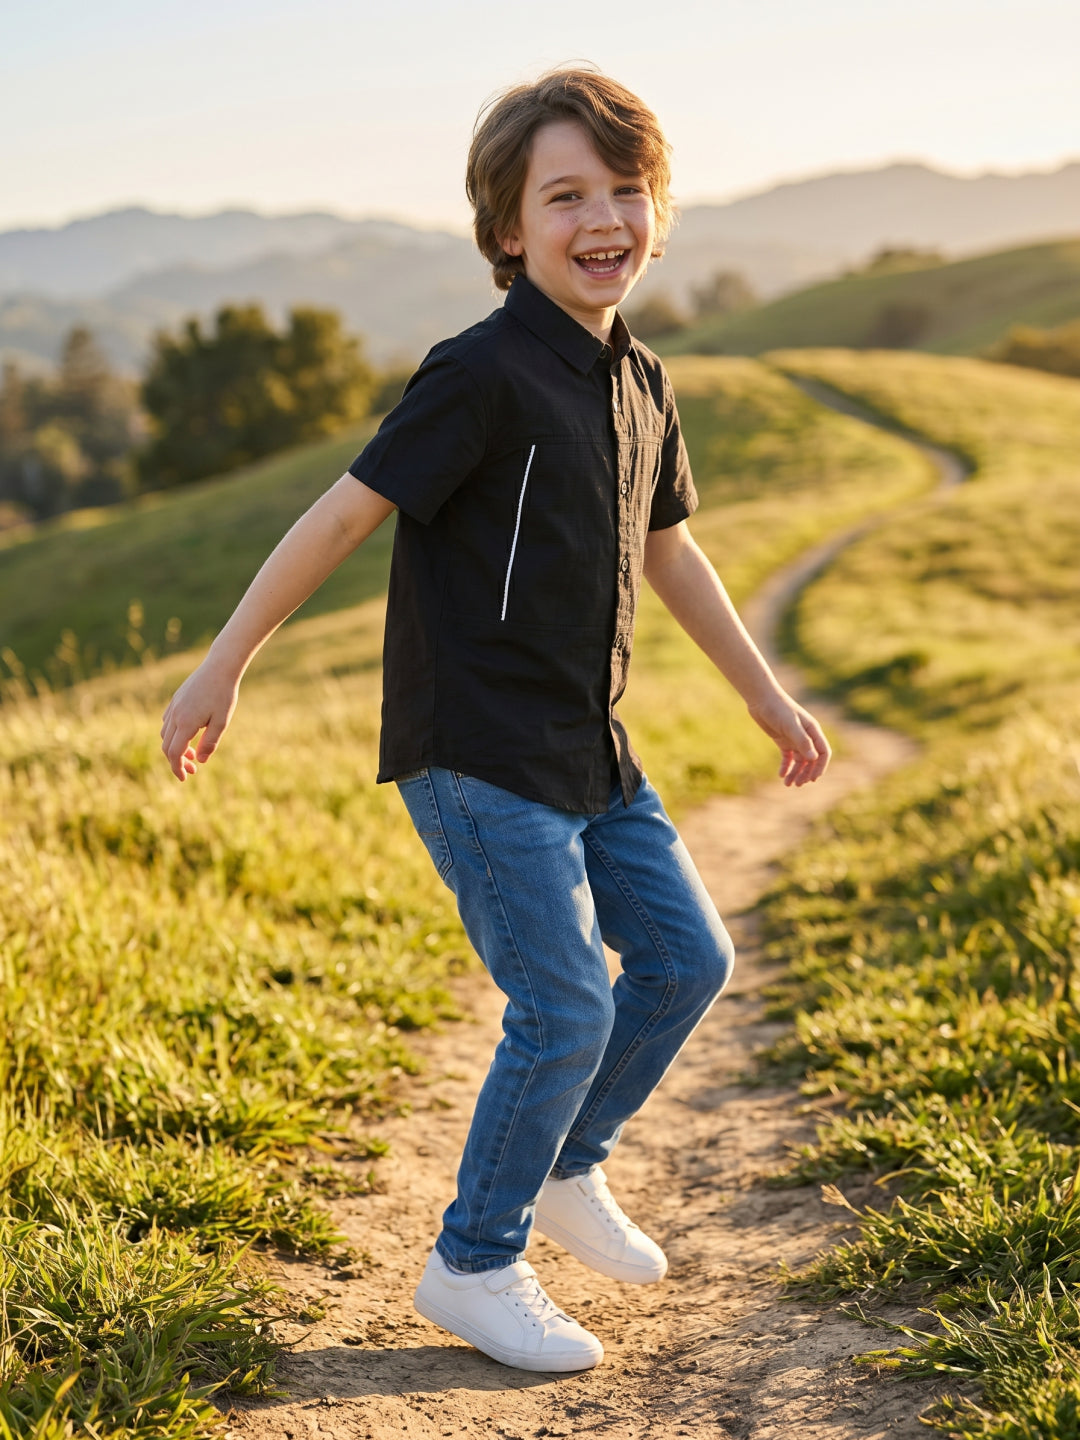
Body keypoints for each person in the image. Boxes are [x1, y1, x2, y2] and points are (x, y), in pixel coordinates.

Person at [160, 67, 830, 1374]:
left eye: (625, 191)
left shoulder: (641, 380)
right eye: (565, 194)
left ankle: (567, 1166)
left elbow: (671, 554)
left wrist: (765, 694)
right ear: (508, 231)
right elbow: (345, 512)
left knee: (688, 963)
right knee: (567, 1001)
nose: (603, 218)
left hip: (592, 744)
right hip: (475, 744)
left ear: (659, 211)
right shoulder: (478, 373)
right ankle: (474, 1262)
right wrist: (223, 666)